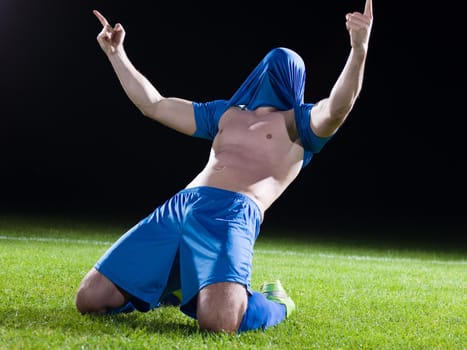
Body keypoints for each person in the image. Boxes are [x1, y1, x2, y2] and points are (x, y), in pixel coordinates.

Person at [75, 0, 373, 334]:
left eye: (287, 67)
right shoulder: (226, 114)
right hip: (182, 205)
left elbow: (337, 107)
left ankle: (276, 304)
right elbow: (154, 105)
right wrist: (117, 54)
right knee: (89, 299)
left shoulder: (301, 123)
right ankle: (174, 286)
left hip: (232, 213)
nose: (277, 69)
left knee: (219, 323)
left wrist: (358, 50)